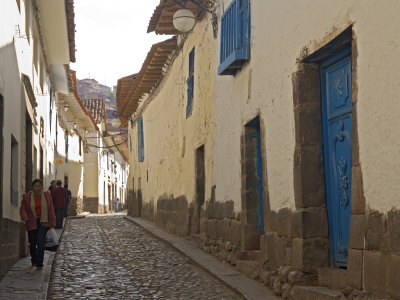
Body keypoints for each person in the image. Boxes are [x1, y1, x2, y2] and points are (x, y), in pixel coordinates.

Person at [20, 179, 56, 270]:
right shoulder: (27, 197)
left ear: (42, 187)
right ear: (33, 187)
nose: (38, 188)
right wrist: (24, 216)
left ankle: (39, 263)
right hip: (31, 221)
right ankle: (34, 259)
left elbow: (51, 209)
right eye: (36, 186)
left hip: (43, 221)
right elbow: (23, 208)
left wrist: (52, 222)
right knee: (32, 243)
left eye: (39, 186)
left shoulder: (46, 196)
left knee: (41, 242)